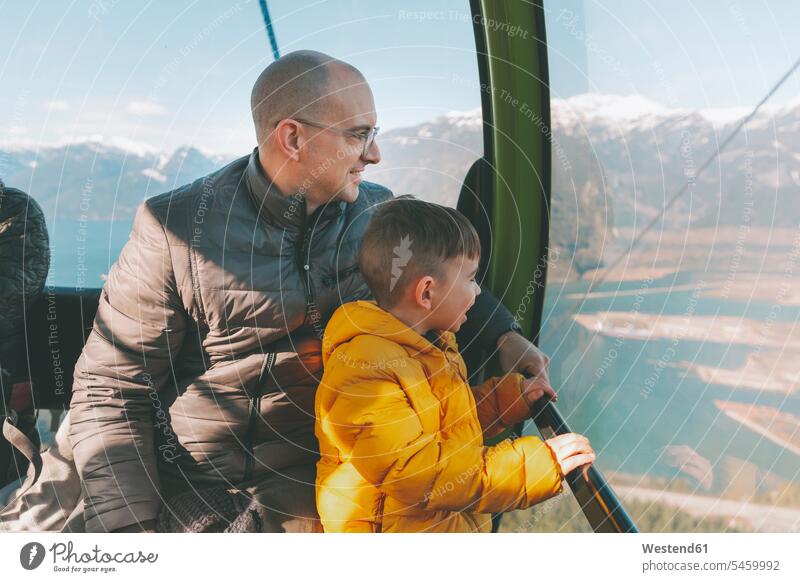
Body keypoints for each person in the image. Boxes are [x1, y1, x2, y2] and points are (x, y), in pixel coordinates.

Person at [62, 50, 555, 533]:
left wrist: (502, 336)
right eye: (359, 135)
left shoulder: (377, 218)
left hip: (336, 478)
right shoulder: (174, 230)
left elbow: (440, 277)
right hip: (204, 481)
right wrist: (131, 534)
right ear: (293, 138)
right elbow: (111, 389)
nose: (375, 154)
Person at [315, 196, 595, 532]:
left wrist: (507, 400)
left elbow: (443, 426)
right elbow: (416, 472)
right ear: (427, 293)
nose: (478, 292)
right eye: (471, 278)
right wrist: (531, 467)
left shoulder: (430, 346)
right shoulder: (364, 369)